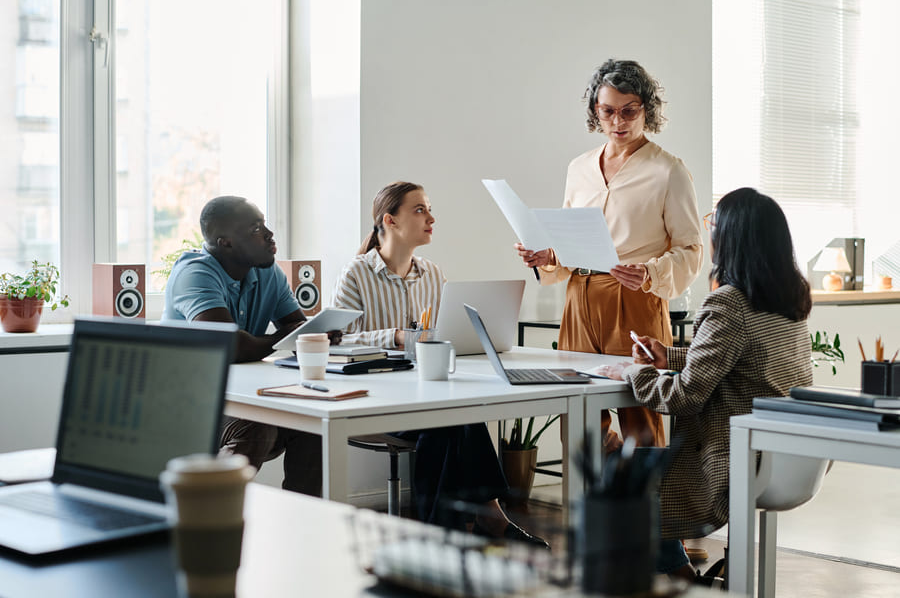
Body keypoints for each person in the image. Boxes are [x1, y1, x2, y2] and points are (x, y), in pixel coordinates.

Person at [593, 188, 814, 580]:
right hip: (789, 462)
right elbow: (744, 361)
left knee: (620, 474)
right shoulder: (789, 300)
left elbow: (684, 398)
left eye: (712, 224)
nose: (708, 233)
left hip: (733, 465)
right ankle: (680, 575)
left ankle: (680, 578)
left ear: (730, 238)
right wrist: (668, 356)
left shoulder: (728, 303)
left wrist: (634, 373)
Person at [332, 181, 547, 547]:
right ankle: (464, 528)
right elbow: (338, 341)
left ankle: (452, 533)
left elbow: (445, 330)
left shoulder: (433, 274)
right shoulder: (357, 273)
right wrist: (397, 337)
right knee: (444, 426)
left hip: (425, 389)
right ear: (391, 220)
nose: (431, 218)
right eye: (420, 210)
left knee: (456, 414)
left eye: (429, 209)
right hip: (376, 399)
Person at [515, 59, 703, 454]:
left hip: (634, 298)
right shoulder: (579, 168)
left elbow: (690, 248)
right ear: (595, 112)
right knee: (578, 420)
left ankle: (648, 510)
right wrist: (546, 255)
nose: (618, 121)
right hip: (578, 299)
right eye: (608, 111)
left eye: (629, 110)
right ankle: (599, 510)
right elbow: (568, 239)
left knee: (641, 419)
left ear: (646, 110)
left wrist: (651, 273)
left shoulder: (668, 171)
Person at [163, 195, 329, 496]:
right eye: (255, 228)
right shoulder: (195, 273)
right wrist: (296, 334)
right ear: (224, 242)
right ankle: (206, 515)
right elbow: (231, 346)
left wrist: (317, 333)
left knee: (312, 421)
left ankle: (303, 521)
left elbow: (298, 330)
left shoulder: (268, 272)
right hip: (186, 406)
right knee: (256, 426)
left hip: (238, 394)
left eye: (265, 224)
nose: (269, 234)